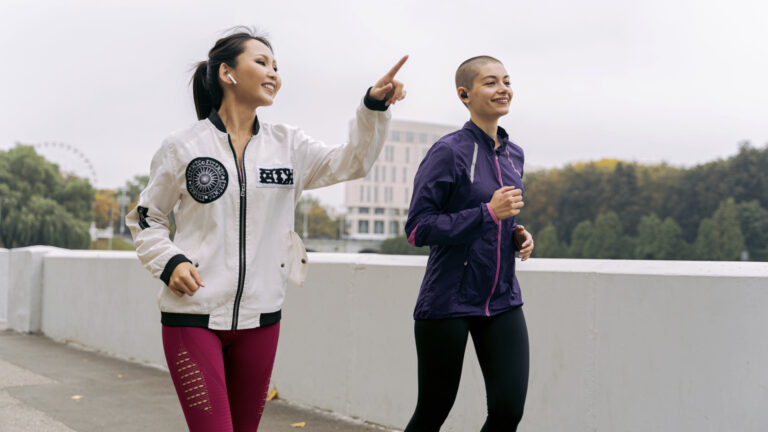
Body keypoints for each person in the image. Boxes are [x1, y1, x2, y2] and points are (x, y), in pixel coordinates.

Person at [125, 28, 407, 431]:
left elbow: (353, 162)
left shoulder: (289, 146)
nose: (274, 73)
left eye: (276, 66)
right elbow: (145, 217)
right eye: (261, 62)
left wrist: (373, 107)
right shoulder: (183, 146)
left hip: (262, 319)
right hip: (193, 317)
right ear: (227, 73)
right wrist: (170, 262)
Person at [403, 55, 534, 432]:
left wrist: (515, 232)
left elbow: (498, 216)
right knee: (433, 411)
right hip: (449, 299)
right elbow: (418, 229)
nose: (503, 89)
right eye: (491, 82)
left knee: (508, 411)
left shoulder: (514, 154)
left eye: (506, 81)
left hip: (502, 298)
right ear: (464, 94)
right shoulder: (448, 151)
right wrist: (488, 214)